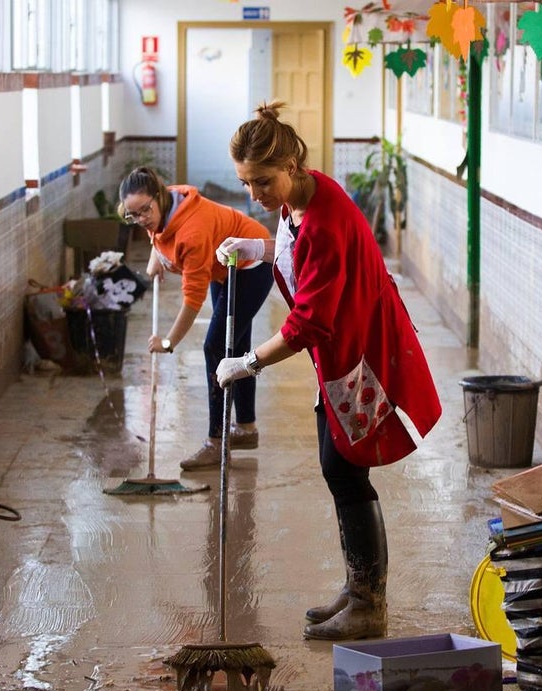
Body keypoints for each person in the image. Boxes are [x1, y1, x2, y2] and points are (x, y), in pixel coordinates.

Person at [214, 101, 442, 641]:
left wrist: (247, 362)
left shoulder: (327, 220)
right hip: (338, 353)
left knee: (344, 466)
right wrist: (258, 247)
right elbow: (300, 253)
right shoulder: (304, 193)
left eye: (262, 183)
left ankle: (369, 603)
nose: (255, 196)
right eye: (247, 184)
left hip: (358, 353)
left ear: (291, 165)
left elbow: (308, 325)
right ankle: (357, 587)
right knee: (336, 464)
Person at [118, 166, 274, 470]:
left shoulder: (192, 232)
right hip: (223, 264)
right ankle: (246, 429)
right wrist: (157, 256)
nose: (141, 219)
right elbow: (157, 231)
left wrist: (168, 341)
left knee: (215, 348)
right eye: (132, 215)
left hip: (251, 265)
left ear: (159, 197)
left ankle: (216, 444)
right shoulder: (162, 205)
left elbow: (192, 300)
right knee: (234, 345)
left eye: (145, 210)